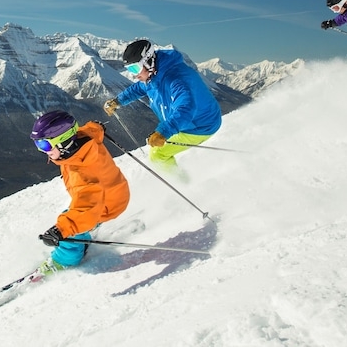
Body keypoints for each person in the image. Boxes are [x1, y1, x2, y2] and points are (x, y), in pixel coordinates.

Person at [29, 110, 130, 280]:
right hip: (113, 191)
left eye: (45, 145)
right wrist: (97, 126)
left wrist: (61, 230)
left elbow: (87, 205)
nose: (43, 151)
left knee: (71, 224)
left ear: (63, 141)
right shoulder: (81, 141)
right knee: (74, 218)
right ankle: (87, 229)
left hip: (106, 204)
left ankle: (65, 260)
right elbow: (92, 130)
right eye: (38, 145)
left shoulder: (81, 171)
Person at [103, 39, 222, 171]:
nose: (134, 74)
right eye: (129, 69)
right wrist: (118, 101)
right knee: (157, 152)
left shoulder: (177, 79)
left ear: (148, 61)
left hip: (201, 124)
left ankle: (183, 186)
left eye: (135, 68)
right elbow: (140, 88)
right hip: (190, 121)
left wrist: (164, 132)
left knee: (157, 155)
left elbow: (186, 108)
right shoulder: (154, 74)